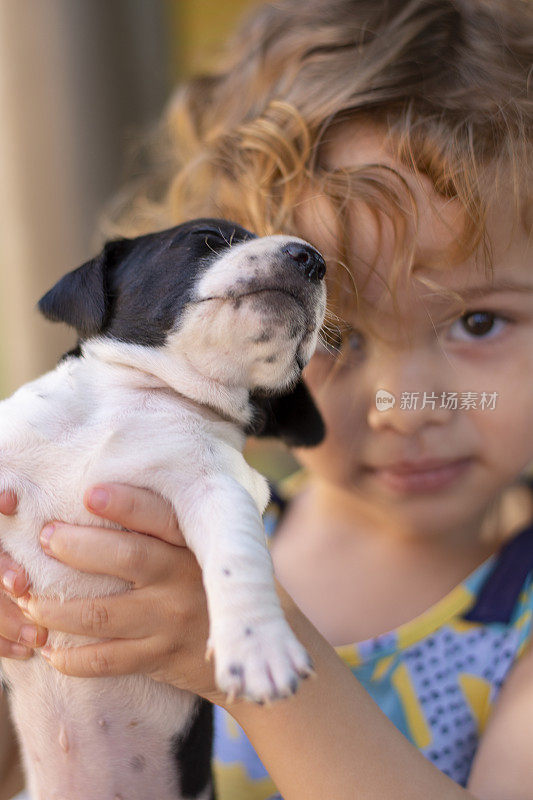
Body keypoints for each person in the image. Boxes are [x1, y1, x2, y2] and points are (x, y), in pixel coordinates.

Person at [1, 0, 533, 797]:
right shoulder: (171, 540)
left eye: (478, 321)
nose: (401, 407)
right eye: (333, 337)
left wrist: (247, 640)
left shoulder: (518, 619)